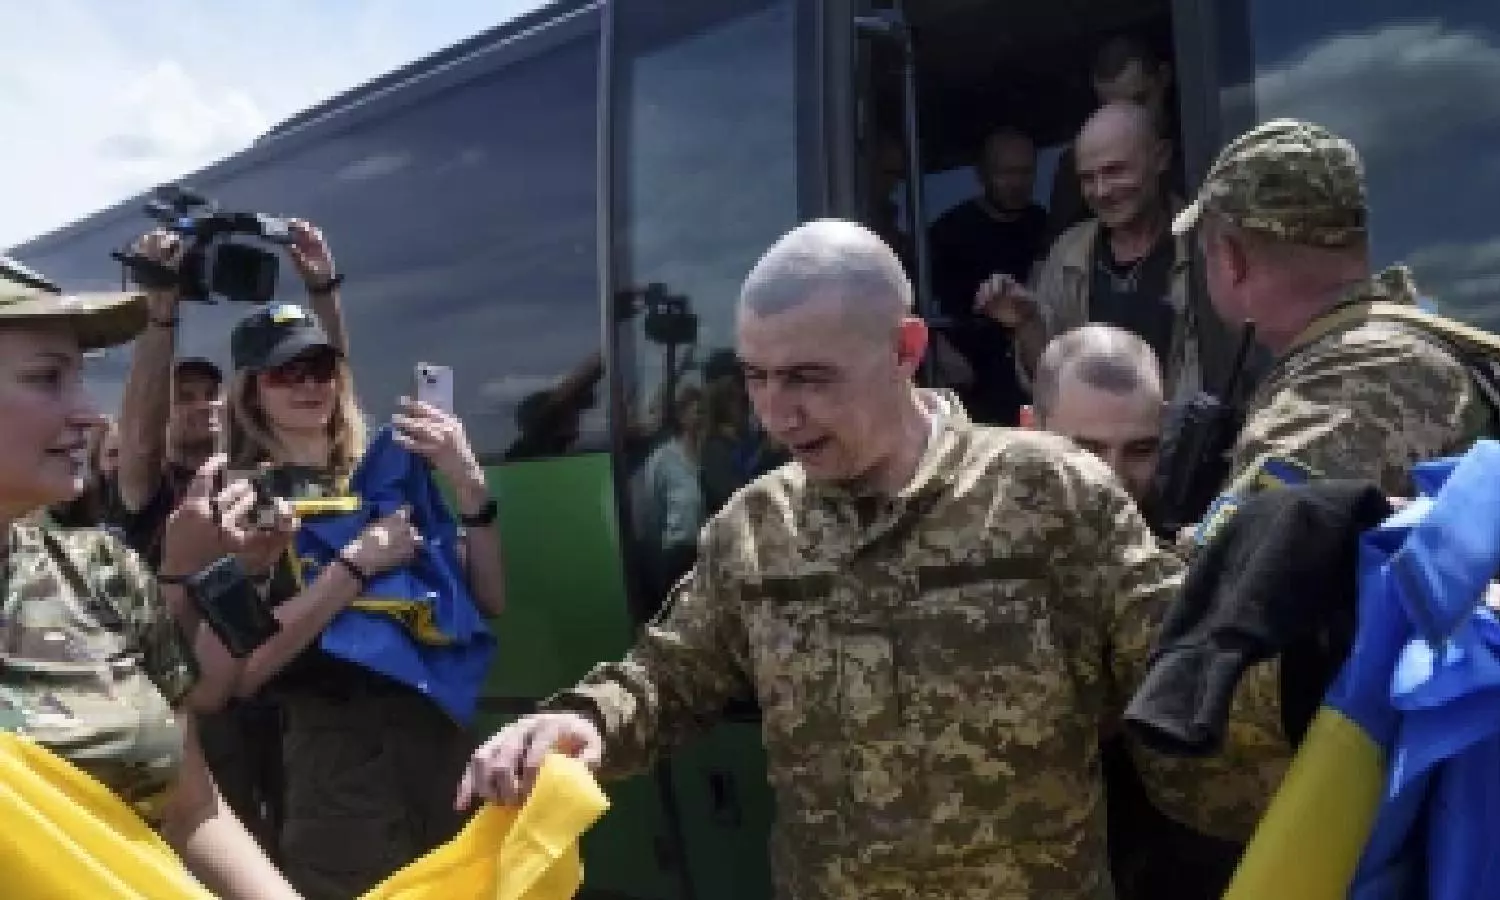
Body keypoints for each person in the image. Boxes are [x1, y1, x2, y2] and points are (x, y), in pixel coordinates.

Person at [456, 220, 1285, 899]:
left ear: (904, 349)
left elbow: (1186, 666)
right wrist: (586, 721)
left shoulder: (1049, 492)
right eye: (756, 378)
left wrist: (1300, 614)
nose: (777, 413)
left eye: (808, 378)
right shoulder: (757, 526)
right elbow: (671, 677)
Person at [0, 259, 300, 897]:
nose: (89, 414)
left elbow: (192, 809)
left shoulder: (102, 572)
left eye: (80, 379)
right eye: (47, 379)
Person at [218, 300, 507, 900]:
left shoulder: (384, 474)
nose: (309, 386)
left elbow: (488, 597)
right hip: (335, 754)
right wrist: (355, 566)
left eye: (321, 369)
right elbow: (243, 670)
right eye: (286, 373)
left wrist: (469, 485)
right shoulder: (238, 500)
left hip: (435, 728)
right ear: (252, 391)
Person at [1173, 118, 1498, 500]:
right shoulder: (1405, 348)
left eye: (1207, 253)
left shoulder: (1344, 384)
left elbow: (1257, 537)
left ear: (1232, 260)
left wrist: (1111, 504)